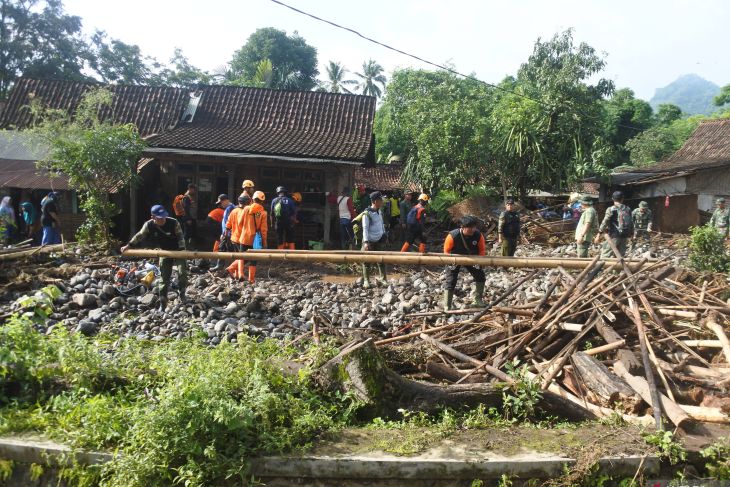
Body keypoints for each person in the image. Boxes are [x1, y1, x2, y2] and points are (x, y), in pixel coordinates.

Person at [121, 205, 187, 311]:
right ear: (153, 217)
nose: (162, 219)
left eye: (163, 217)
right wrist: (128, 246)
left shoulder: (174, 222)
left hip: (179, 250)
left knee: (182, 272)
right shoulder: (149, 225)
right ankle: (163, 302)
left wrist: (182, 251)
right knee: (164, 278)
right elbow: (139, 236)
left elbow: (180, 237)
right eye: (159, 218)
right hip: (164, 251)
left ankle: (182, 294)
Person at [442, 215, 487, 310]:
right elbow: (446, 251)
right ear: (462, 227)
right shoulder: (452, 236)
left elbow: (482, 250)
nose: (473, 229)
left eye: (474, 227)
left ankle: (478, 300)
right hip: (453, 258)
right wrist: (450, 261)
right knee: (451, 280)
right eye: (470, 227)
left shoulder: (478, 235)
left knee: (480, 276)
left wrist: (481, 261)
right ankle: (447, 306)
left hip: (472, 258)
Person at [227, 191, 268, 284]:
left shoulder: (246, 209)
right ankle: (251, 279)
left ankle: (240, 274)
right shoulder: (263, 213)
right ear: (263, 201)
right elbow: (263, 230)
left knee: (242, 256)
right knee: (253, 259)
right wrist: (264, 242)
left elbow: (240, 222)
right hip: (255, 239)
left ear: (253, 199)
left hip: (244, 237)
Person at [361, 192, 388, 289]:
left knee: (381, 260)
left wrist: (384, 234)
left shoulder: (379, 211)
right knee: (366, 261)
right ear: (375, 201)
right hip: (370, 240)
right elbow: (365, 228)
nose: (382, 202)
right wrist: (366, 242)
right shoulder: (367, 213)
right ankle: (366, 281)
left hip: (380, 239)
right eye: (381, 200)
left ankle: (383, 279)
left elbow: (381, 224)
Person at [595, 191, 633, 258]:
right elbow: (631, 222)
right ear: (622, 199)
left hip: (614, 235)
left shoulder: (611, 209)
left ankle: (602, 268)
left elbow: (605, 221)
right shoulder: (628, 209)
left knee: (606, 254)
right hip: (624, 236)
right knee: (620, 256)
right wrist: (632, 234)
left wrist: (599, 234)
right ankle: (618, 268)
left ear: (613, 199)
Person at [224, 195, 250, 278]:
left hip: (234, 237)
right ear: (247, 202)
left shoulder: (234, 211)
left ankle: (237, 273)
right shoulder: (246, 211)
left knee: (238, 256)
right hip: (242, 238)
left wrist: (226, 232)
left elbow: (228, 224)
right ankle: (231, 268)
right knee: (244, 257)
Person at [208, 194, 231, 271]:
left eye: (220, 202)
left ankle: (215, 260)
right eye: (220, 203)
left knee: (219, 242)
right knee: (220, 241)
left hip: (213, 223)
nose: (220, 204)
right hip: (213, 224)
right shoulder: (224, 211)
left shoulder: (227, 209)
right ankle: (215, 261)